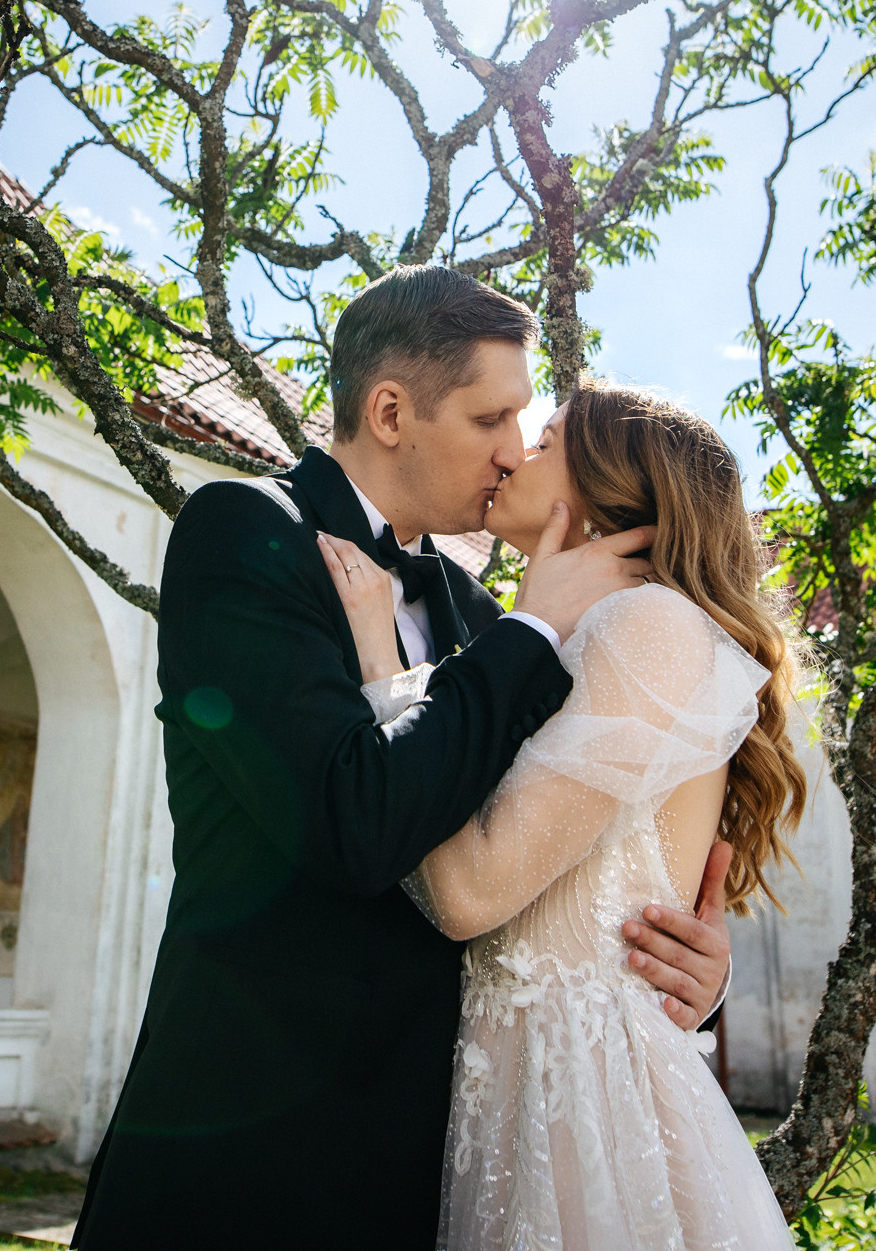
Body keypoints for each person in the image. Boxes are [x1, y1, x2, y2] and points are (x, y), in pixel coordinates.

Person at [73, 271, 737, 1251]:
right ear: (391, 411)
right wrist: (531, 634)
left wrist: (676, 969)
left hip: (437, 1160)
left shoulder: (477, 616)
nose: (515, 451)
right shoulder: (250, 534)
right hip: (252, 1153)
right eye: (491, 418)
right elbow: (356, 824)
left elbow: (568, 843)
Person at [323, 383, 806, 1250]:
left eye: (542, 439)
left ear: (612, 486)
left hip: (579, 1102)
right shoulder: (545, 634)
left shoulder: (644, 623)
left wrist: (381, 667)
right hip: (509, 1084)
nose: (512, 454)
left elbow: (469, 892)